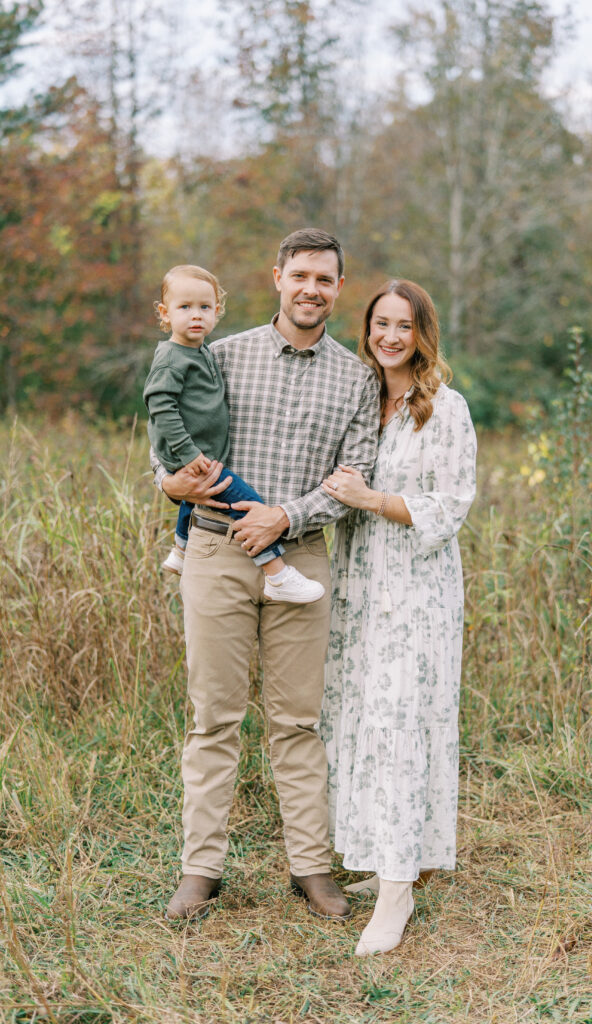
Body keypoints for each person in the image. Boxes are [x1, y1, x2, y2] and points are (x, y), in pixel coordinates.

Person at [150, 229, 380, 922]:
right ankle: (201, 871)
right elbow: (165, 448)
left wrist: (286, 516)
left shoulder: (356, 378)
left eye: (325, 279)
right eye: (300, 274)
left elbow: (355, 477)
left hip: (301, 559)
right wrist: (171, 487)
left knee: (296, 722)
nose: (311, 288)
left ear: (339, 288)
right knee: (213, 717)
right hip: (216, 553)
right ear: (276, 277)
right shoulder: (218, 354)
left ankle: (310, 867)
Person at [319, 279, 476, 956]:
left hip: (415, 591)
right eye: (379, 323)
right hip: (359, 584)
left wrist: (372, 497)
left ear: (421, 334)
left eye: (402, 326)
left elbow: (449, 504)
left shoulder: (443, 408)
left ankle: (396, 892)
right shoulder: (360, 401)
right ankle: (385, 858)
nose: (388, 336)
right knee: (358, 721)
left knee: (402, 724)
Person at [144, 263, 324, 604]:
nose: (196, 315)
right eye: (185, 307)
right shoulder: (171, 356)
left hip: (203, 453)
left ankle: (180, 549)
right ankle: (276, 572)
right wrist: (188, 455)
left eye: (205, 307)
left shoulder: (203, 351)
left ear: (217, 311)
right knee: (247, 502)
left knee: (201, 496)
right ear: (164, 313)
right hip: (196, 456)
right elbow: (160, 407)